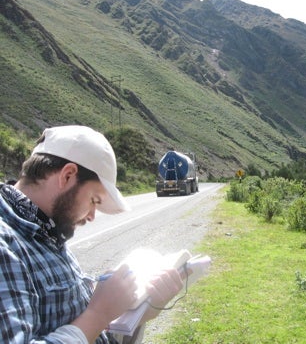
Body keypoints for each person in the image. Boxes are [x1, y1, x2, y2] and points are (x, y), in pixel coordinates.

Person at [0, 125, 183, 343]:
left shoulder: (48, 232)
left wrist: (138, 312)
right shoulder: (6, 242)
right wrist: (99, 314)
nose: (92, 216)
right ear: (67, 175)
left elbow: (84, 330)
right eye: (94, 200)